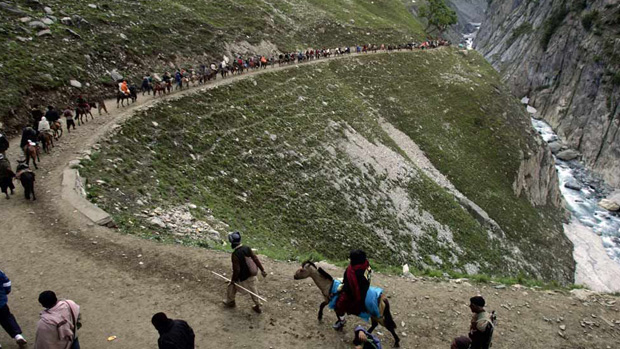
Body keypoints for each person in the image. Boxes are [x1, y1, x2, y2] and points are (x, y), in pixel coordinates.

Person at [223, 231, 267, 314]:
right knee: (254, 291)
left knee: (231, 287)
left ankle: (230, 301)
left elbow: (237, 270)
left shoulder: (235, 254)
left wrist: (233, 280)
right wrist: (262, 270)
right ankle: (257, 306)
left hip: (243, 279)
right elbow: (255, 258)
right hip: (252, 276)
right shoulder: (247, 248)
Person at [333, 249, 372, 330]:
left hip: (355, 293)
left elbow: (349, 287)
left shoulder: (353, 271)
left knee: (338, 305)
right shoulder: (366, 265)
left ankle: (342, 321)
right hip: (365, 288)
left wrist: (343, 288)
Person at [0, 268, 27, 347]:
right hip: (1, 303)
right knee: (7, 318)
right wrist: (5, 292)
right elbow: (7, 283)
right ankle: (18, 336)